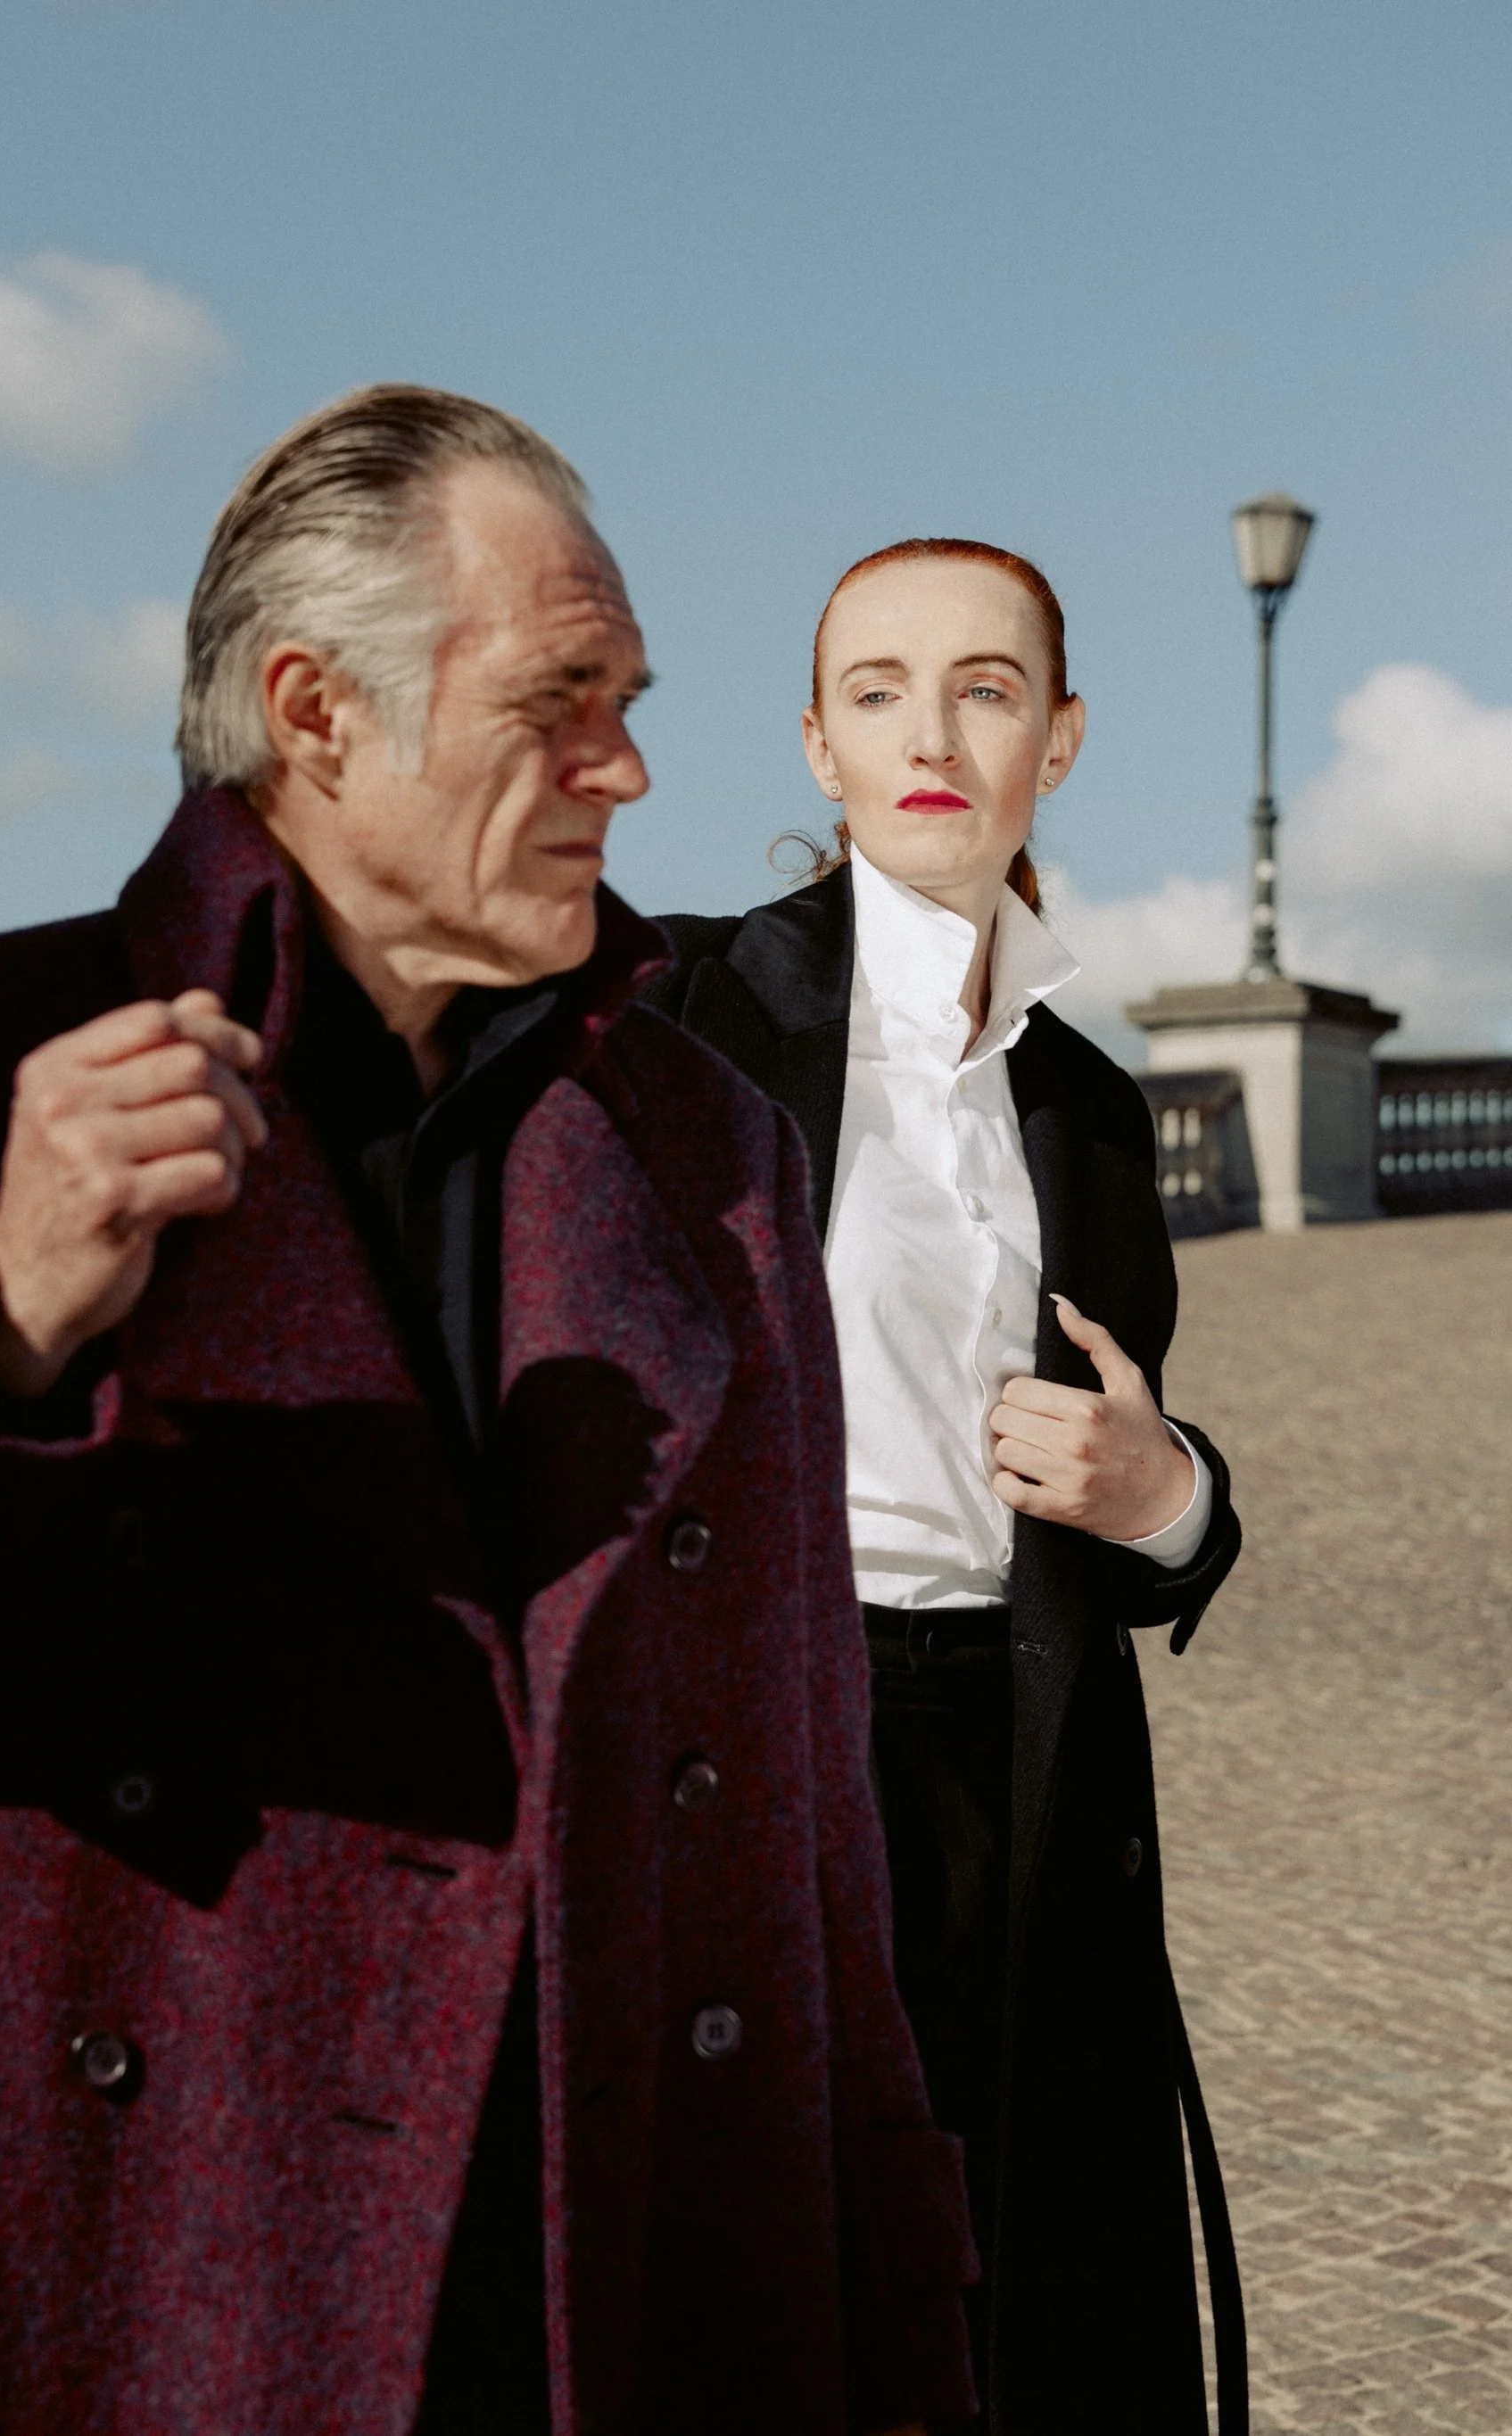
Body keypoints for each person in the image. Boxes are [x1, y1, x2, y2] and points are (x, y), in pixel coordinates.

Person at [0, 397, 976, 2435]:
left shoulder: (707, 1147)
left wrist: (900, 2328)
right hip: (81, 2301)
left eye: (627, 701)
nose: (626, 769)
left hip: (587, 2305)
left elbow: (808, 1826)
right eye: (560, 704)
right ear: (313, 710)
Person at [645, 538, 1246, 2436]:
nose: (933, 731)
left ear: (1055, 742)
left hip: (1022, 1754)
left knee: (1022, 2311)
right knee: (773, 2308)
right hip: (759, 1735)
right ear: (815, 744)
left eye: (986, 688)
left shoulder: (1083, 1096)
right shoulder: (673, 1022)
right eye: (878, 690)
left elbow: (1155, 1521)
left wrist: (1162, 1493)